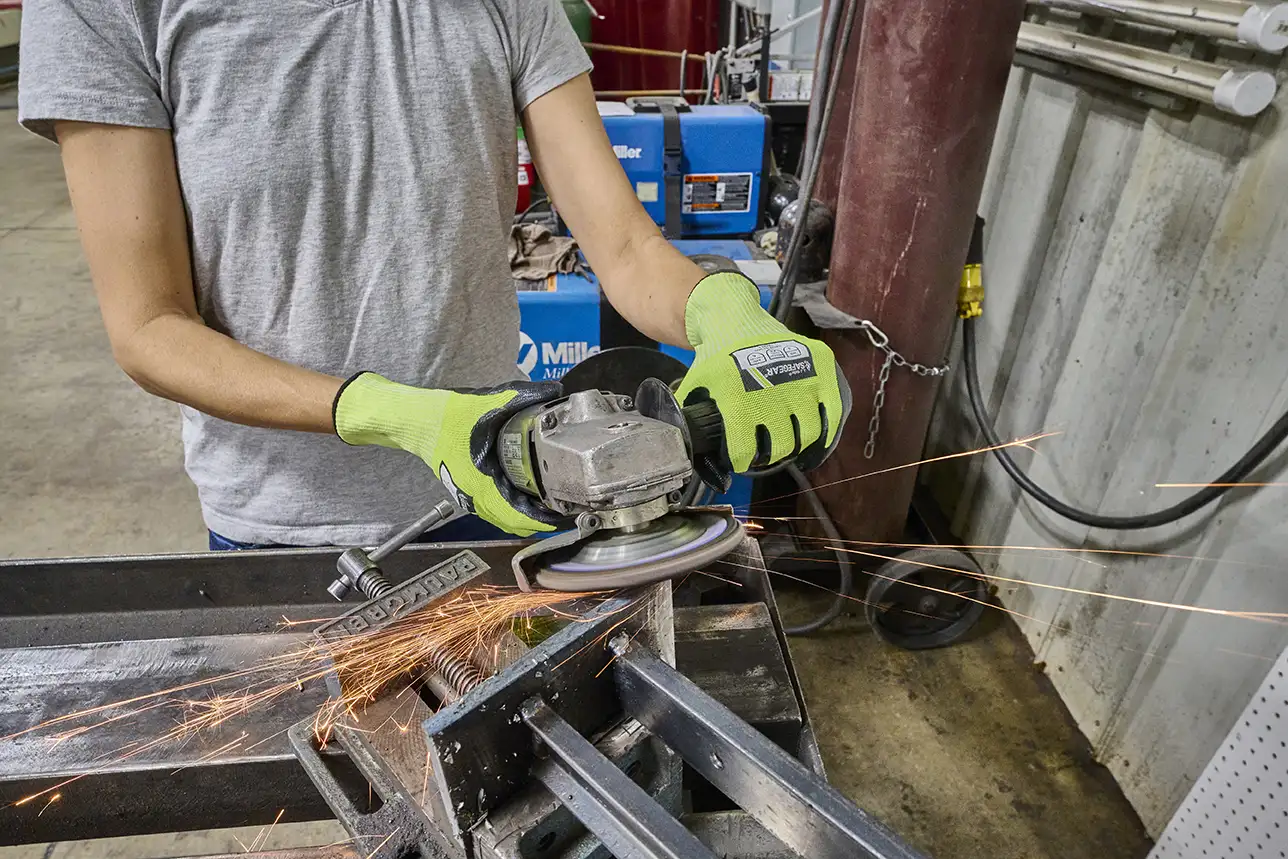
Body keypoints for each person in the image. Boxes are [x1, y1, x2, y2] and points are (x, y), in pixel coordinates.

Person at [16, 0, 848, 550]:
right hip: (280, 525)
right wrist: (391, 413)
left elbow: (623, 247)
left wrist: (725, 306)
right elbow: (149, 328)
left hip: (501, 488)